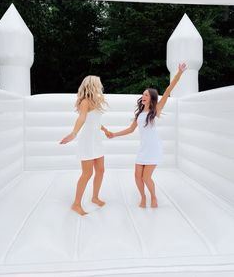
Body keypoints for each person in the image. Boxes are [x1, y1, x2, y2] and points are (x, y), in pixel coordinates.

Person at [108, 63, 187, 208]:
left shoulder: (155, 110)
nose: (143, 96)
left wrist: (179, 73)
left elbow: (169, 90)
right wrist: (114, 134)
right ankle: (143, 197)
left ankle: (153, 197)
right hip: (143, 148)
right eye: (143, 94)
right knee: (137, 176)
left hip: (154, 148)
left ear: (151, 98)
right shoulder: (139, 113)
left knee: (146, 177)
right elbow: (130, 129)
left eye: (146, 95)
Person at [60, 75, 110, 216]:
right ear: (93, 85)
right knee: (87, 173)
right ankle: (76, 204)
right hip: (87, 141)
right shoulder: (85, 102)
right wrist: (73, 133)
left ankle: (95, 197)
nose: (100, 85)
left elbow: (95, 121)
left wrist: (105, 130)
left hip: (97, 140)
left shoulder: (97, 100)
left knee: (101, 170)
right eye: (98, 83)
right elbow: (82, 118)